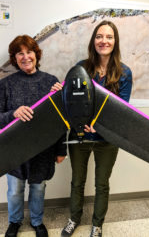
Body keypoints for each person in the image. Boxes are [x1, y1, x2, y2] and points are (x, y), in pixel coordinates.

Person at [51, 20, 132, 237]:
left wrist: (99, 125)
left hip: (107, 139)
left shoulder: (124, 73)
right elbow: (70, 103)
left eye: (108, 37)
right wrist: (61, 92)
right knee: (77, 181)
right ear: (93, 40)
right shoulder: (80, 68)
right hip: (79, 136)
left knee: (101, 184)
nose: (103, 41)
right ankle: (74, 218)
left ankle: (97, 224)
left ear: (115, 42)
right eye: (99, 36)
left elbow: (122, 110)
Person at [0, 35, 66, 237]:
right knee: (14, 191)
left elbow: (60, 121)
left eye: (29, 52)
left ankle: (37, 221)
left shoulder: (51, 82)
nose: (25, 57)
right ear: (14, 58)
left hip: (43, 151)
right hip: (14, 151)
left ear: (36, 54)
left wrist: (61, 149)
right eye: (19, 53)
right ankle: (14, 222)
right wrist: (13, 114)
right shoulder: (6, 84)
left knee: (38, 189)